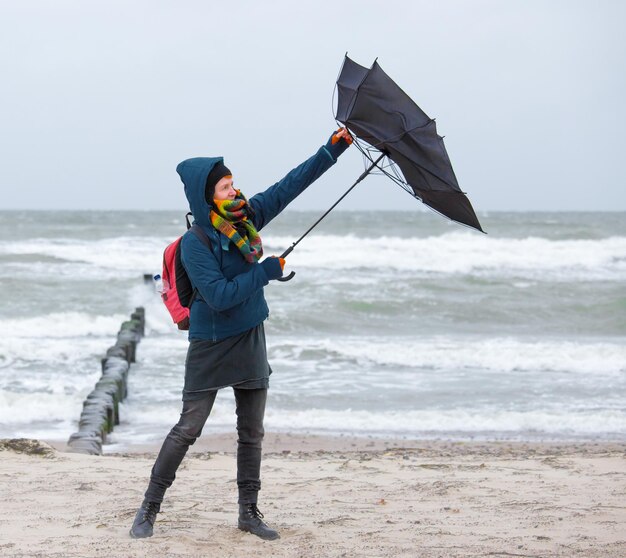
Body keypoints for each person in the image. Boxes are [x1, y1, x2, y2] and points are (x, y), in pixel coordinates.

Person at [129, 128, 352, 540]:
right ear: (207, 195)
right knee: (188, 428)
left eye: (233, 183)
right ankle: (148, 508)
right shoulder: (195, 243)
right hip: (210, 342)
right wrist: (265, 273)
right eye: (226, 186)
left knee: (252, 431)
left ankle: (248, 512)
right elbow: (217, 296)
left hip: (249, 334)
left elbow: (290, 185)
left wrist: (331, 150)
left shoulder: (245, 216)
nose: (234, 191)